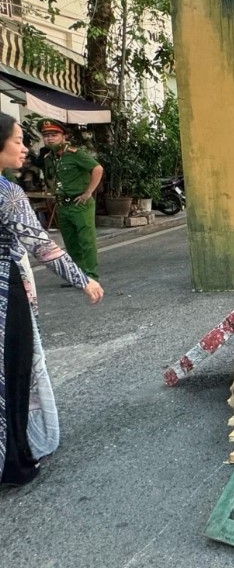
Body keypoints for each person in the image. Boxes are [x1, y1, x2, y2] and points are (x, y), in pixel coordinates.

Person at [0, 114, 104, 487]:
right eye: (17, 140)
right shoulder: (8, 193)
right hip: (5, 296)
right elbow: (42, 247)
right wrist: (84, 281)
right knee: (12, 374)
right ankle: (13, 461)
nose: (26, 147)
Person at [34, 119, 103, 281]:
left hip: (80, 204)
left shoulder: (75, 154)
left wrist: (88, 192)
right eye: (46, 136)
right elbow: (52, 178)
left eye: (54, 135)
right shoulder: (48, 158)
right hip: (62, 204)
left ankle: (90, 275)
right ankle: (77, 275)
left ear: (63, 136)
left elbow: (97, 168)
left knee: (86, 241)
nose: (49, 138)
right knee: (70, 241)